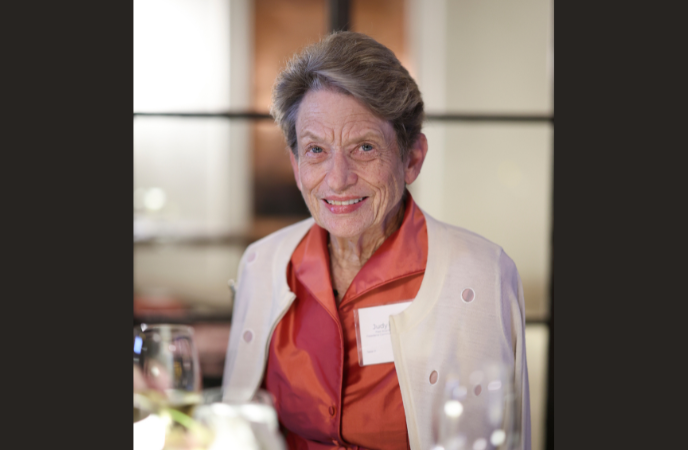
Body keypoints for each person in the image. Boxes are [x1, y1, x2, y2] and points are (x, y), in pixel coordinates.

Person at [222, 31, 530, 450]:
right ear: (296, 165)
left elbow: (500, 438)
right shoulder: (263, 263)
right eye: (316, 151)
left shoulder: (478, 275)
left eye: (364, 147)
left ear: (412, 159)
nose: (337, 178)